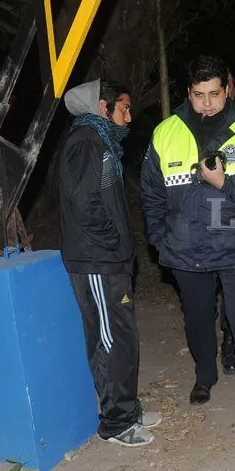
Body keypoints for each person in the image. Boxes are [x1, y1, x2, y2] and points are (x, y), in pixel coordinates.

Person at [141, 55, 235, 451]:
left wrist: (226, 184)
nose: (206, 103)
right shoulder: (165, 132)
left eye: (215, 95)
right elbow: (151, 193)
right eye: (199, 95)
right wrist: (159, 238)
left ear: (228, 89)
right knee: (198, 319)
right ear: (189, 92)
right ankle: (205, 374)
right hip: (185, 249)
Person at [59, 79, 160, 447]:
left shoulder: (101, 142)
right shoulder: (85, 143)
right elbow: (85, 206)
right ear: (103, 108)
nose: (129, 116)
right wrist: (115, 246)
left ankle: (127, 408)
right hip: (97, 261)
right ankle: (115, 422)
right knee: (109, 340)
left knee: (124, 337)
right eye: (125, 107)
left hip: (110, 259)